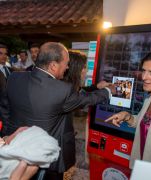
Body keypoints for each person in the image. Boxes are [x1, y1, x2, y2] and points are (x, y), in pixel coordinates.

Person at [0, 42, 112, 180]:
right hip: (47, 156)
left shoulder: (14, 78)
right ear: (53, 65)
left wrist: (8, 137)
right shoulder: (62, 89)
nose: (68, 67)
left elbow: (5, 109)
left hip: (16, 149)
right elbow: (85, 100)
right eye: (66, 63)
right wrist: (107, 91)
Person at [105, 49, 151, 168]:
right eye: (144, 71)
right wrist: (127, 116)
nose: (144, 77)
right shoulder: (149, 98)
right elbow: (145, 124)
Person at [49, 50, 111, 177]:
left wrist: (95, 87)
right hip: (53, 149)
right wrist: (108, 91)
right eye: (84, 68)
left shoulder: (61, 85)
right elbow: (84, 100)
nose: (85, 71)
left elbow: (80, 92)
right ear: (75, 69)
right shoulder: (65, 92)